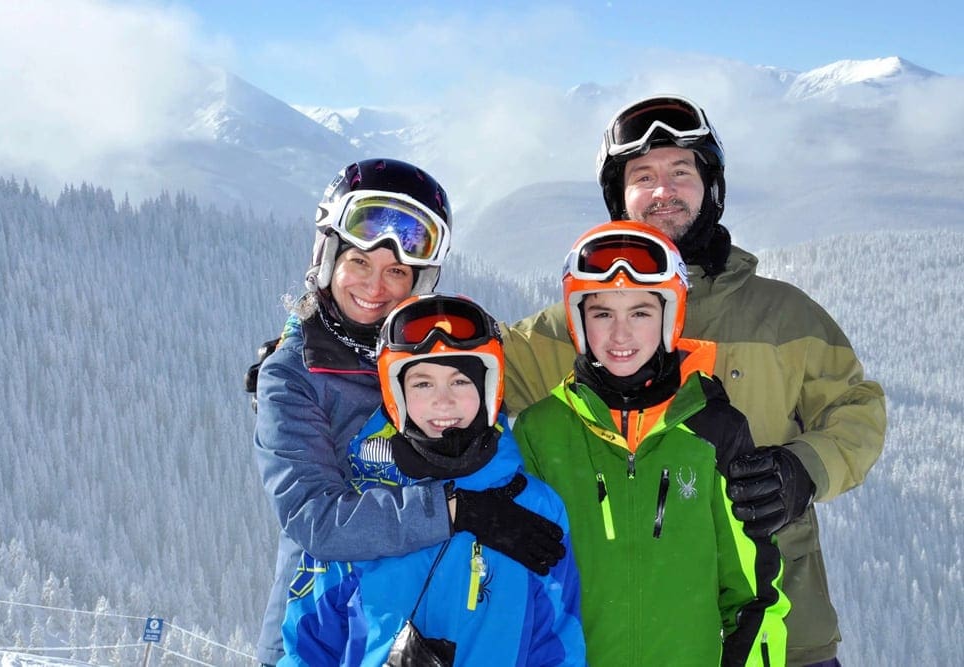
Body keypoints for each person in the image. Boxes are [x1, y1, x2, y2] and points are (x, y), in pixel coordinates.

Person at [501, 95, 886, 666]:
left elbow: (858, 411)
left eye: (681, 172)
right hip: (627, 633)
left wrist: (802, 469)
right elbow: (447, 378)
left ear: (710, 185)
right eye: (643, 177)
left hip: (783, 623)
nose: (664, 191)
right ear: (619, 197)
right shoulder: (565, 330)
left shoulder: (784, 315)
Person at [252, 158, 565, 666]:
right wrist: (457, 511)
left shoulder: (433, 350)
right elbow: (316, 519)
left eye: (396, 271)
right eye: (359, 263)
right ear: (328, 257)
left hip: (433, 624)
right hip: (321, 633)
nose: (375, 288)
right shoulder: (294, 375)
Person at [512, 221, 789, 665]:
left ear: (670, 316)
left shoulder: (713, 429)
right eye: (602, 313)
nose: (621, 336)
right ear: (578, 320)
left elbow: (753, 589)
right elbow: (515, 586)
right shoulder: (541, 432)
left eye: (640, 313)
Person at [279, 294, 586, 666]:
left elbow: (556, 643)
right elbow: (309, 645)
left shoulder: (537, 508)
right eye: (422, 384)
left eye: (460, 381)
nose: (443, 402)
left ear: (489, 389)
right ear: (397, 396)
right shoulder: (362, 509)